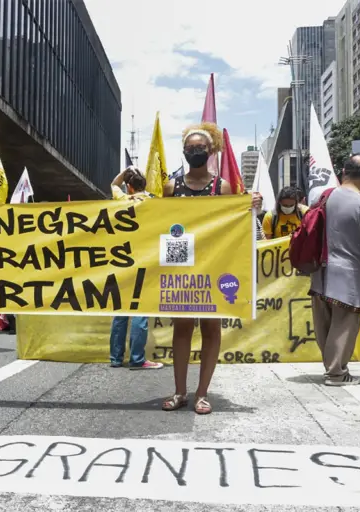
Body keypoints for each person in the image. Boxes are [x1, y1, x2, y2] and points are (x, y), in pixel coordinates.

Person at [161, 123, 263, 414]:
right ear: (184, 152)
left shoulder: (223, 187)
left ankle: (201, 393)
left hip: (214, 264)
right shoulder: (172, 187)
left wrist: (249, 206)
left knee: (210, 327)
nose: (195, 152)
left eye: (200, 148)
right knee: (181, 327)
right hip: (181, 266)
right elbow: (158, 226)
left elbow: (233, 222)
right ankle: (180, 391)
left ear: (211, 151)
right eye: (190, 148)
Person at [310, 154, 360, 386]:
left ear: (343, 171)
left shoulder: (322, 197)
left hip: (320, 271)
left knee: (325, 325)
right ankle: (336, 373)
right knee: (344, 326)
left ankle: (332, 367)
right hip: (349, 275)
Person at [108, 167, 163, 370]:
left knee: (121, 310)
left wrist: (125, 171)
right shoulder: (154, 201)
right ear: (144, 185)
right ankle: (137, 358)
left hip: (122, 260)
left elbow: (114, 184)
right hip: (146, 258)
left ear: (129, 187)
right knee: (140, 308)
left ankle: (115, 358)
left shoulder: (122, 199)